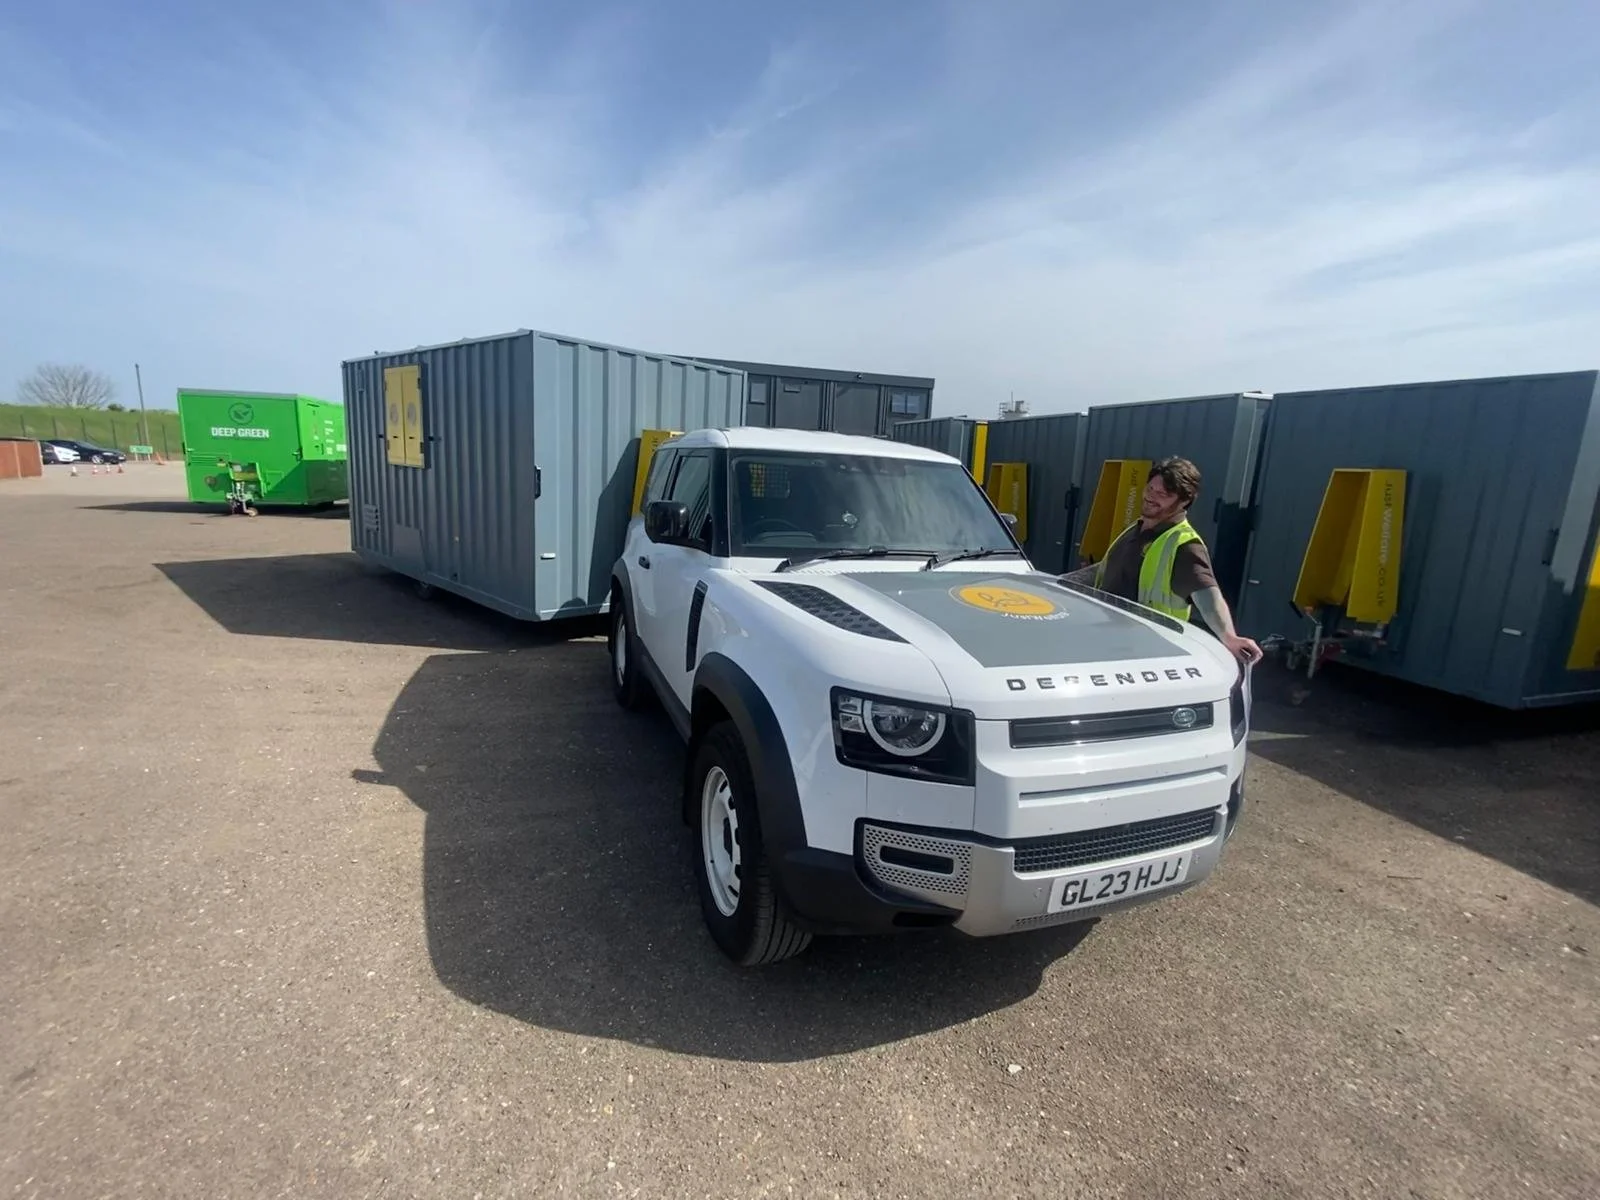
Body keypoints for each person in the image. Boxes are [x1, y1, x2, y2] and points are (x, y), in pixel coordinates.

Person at [1060, 456, 1262, 664]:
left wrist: (1229, 637)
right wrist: (1055, 583)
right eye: (1150, 489)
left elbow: (1208, 595)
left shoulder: (1184, 544)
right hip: (1105, 641)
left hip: (1144, 651)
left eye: (1163, 494)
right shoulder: (1135, 530)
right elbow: (1108, 569)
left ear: (1184, 501)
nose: (1151, 497)